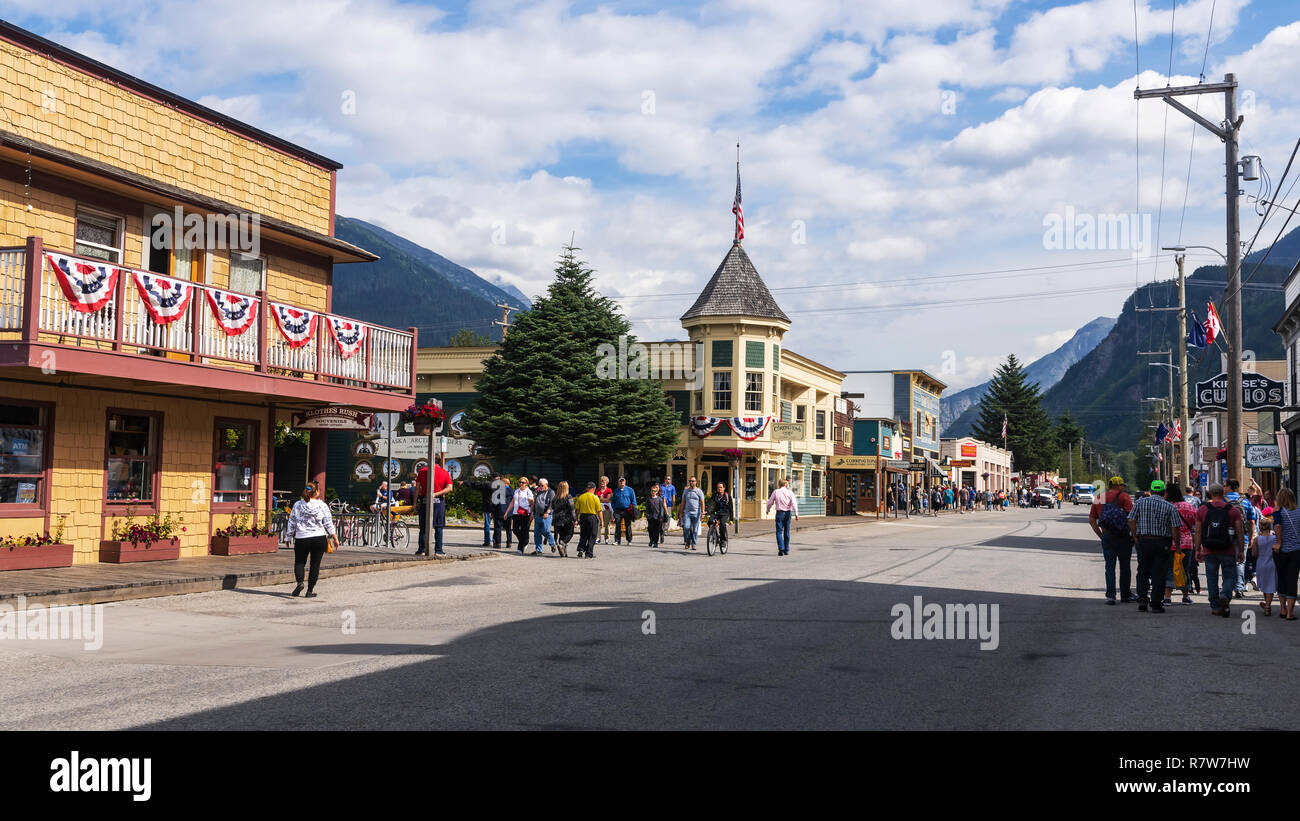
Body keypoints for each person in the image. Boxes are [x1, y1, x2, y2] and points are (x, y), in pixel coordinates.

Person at [1127, 479, 1181, 613]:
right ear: (1164, 492)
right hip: (1162, 542)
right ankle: (1156, 603)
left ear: (1150, 491)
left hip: (1144, 541)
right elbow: (1175, 529)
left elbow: (1131, 519)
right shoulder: (1170, 507)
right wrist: (1177, 545)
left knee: (1143, 571)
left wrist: (1135, 536)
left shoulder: (1140, 503)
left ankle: (1143, 600)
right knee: (1159, 573)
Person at [1195, 483, 1245, 618]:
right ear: (1223, 494)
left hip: (1209, 549)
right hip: (1227, 549)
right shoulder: (1233, 511)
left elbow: (1198, 531)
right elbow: (1239, 532)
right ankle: (1225, 594)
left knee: (1211, 578)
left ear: (1210, 494)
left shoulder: (1202, 510)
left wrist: (1198, 549)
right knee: (1230, 576)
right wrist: (1241, 550)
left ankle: (1215, 606)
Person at [1088, 476, 1135, 605]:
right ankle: (1125, 595)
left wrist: (1101, 535)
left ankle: (1111, 596)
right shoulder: (1124, 497)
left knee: (1110, 566)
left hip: (1107, 536)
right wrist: (1134, 535)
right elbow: (1131, 518)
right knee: (1125, 566)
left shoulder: (1100, 497)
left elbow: (1092, 520)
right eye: (1122, 486)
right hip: (1123, 536)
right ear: (1119, 486)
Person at [285, 483, 338, 598]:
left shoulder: (298, 505)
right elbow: (328, 522)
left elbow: (292, 521)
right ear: (317, 492)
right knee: (315, 564)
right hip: (318, 538)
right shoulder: (322, 505)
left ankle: (300, 583)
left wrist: (288, 537)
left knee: (299, 562)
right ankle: (310, 591)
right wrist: (334, 537)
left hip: (301, 538)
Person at [414, 458, 453, 556]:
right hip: (438, 501)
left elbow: (417, 488)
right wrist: (436, 494)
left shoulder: (422, 471)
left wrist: (415, 503)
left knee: (423, 527)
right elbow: (450, 488)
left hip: (424, 500)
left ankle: (421, 550)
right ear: (439, 462)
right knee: (438, 526)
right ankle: (438, 551)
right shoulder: (444, 472)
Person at [1272, 487, 1300, 620]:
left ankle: (1283, 609)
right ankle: (1290, 612)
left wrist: (1278, 542)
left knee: (1281, 579)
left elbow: (1277, 526)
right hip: (1296, 551)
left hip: (1281, 551)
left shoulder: (1278, 513)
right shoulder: (1299, 512)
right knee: (1292, 580)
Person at [1225, 479, 1256, 598]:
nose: (1224, 488)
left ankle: (1228, 586)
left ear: (1229, 487)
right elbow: (1252, 521)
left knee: (1227, 562)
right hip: (1242, 535)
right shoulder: (1246, 502)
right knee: (1240, 561)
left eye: (1225, 486)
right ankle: (1239, 587)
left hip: (1226, 536)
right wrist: (1251, 537)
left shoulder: (1224, 501)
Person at [1168, 483, 1196, 605]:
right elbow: (1196, 525)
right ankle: (1185, 596)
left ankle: (1167, 597)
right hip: (1187, 543)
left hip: (1171, 543)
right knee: (1185, 569)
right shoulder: (1189, 507)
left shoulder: (1168, 507)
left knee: (1170, 569)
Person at [766, 476, 799, 556]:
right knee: (786, 531)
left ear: (779, 484)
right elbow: (794, 503)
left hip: (780, 512)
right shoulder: (790, 492)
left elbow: (770, 502)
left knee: (779, 531)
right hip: (788, 513)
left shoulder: (776, 492)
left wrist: (768, 509)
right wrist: (796, 513)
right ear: (785, 484)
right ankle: (786, 549)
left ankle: (781, 547)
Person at [1252, 518, 1279, 616]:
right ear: (1270, 527)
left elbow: (1254, 554)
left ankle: (1267, 606)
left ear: (1259, 527)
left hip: (1261, 563)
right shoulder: (1275, 538)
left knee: (1264, 585)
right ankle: (1267, 605)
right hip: (1272, 563)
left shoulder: (1257, 539)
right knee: (1270, 586)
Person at [461, 475, 497, 547]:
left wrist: (465, 482)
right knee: (497, 526)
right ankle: (496, 541)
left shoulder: (486, 484)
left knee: (487, 525)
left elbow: (475, 484)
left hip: (487, 507)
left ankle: (487, 541)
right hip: (497, 508)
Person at [506, 476, 535, 554]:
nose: (521, 483)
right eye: (520, 482)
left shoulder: (528, 492)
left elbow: (532, 504)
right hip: (516, 512)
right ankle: (525, 541)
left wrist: (532, 513)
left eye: (523, 482)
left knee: (523, 530)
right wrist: (507, 512)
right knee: (515, 530)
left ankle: (520, 548)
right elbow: (512, 502)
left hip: (525, 513)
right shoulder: (516, 491)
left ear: (526, 483)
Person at [574, 481, 602, 558]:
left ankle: (581, 549)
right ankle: (589, 553)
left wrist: (577, 518)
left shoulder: (581, 497)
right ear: (593, 489)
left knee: (583, 534)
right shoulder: (595, 497)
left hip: (583, 517)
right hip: (592, 517)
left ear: (587, 488)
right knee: (592, 535)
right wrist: (601, 521)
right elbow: (599, 511)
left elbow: (577, 510)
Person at [678, 476, 705, 551]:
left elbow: (702, 502)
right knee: (686, 527)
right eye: (690, 481)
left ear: (696, 482)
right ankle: (687, 542)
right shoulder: (686, 491)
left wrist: (703, 512)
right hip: (687, 513)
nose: (691, 482)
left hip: (696, 513)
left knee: (695, 530)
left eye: (692, 481)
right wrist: (681, 512)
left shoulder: (699, 491)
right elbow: (683, 502)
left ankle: (694, 544)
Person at [550, 481, 576, 558]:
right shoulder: (568, 497)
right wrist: (575, 519)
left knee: (561, 534)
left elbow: (553, 507)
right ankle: (562, 544)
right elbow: (572, 509)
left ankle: (564, 552)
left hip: (557, 519)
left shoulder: (555, 497)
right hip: (566, 519)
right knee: (569, 534)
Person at [610, 476, 637, 545]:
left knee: (628, 525)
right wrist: (614, 508)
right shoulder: (616, 490)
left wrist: (634, 508)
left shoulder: (630, 490)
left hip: (627, 510)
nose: (622, 482)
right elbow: (613, 501)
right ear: (619, 482)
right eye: (620, 481)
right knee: (618, 525)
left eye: (623, 481)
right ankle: (617, 540)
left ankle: (629, 540)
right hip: (618, 510)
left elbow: (633, 500)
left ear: (625, 482)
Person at [533, 478, 556, 554]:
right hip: (537, 515)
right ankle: (538, 550)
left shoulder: (551, 492)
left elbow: (552, 505)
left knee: (546, 530)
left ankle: (552, 544)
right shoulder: (538, 491)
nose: (540, 487)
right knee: (537, 533)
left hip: (546, 515)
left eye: (542, 485)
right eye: (539, 485)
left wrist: (547, 512)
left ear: (546, 485)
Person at [707, 482, 732, 550]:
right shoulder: (715, 495)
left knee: (722, 524)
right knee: (710, 521)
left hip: (725, 513)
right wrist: (708, 510)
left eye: (721, 487)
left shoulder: (727, 496)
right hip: (716, 512)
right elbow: (710, 502)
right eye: (718, 487)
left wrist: (731, 519)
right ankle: (713, 533)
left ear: (724, 488)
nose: (719, 489)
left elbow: (730, 508)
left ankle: (723, 540)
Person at [645, 483, 668, 548]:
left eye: (654, 491)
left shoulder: (659, 499)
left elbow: (662, 508)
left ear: (657, 492)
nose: (653, 492)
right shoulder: (649, 499)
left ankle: (655, 542)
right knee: (650, 529)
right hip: (650, 517)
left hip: (657, 517)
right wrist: (647, 515)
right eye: (652, 491)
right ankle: (651, 540)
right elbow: (647, 508)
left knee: (656, 530)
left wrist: (661, 516)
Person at [596, 476, 613, 545]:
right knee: (598, 523)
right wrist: (603, 499)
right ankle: (598, 538)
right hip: (599, 509)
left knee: (607, 524)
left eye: (604, 481)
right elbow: (596, 499)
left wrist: (601, 499)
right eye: (601, 481)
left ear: (607, 482)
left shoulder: (609, 490)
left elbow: (608, 500)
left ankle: (607, 538)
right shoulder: (598, 490)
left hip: (606, 509)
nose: (602, 482)